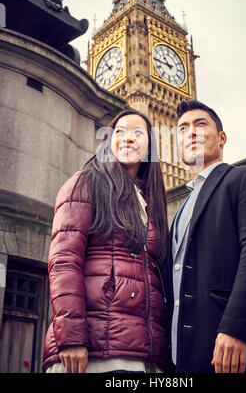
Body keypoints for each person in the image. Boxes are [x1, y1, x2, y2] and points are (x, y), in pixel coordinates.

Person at [43, 110, 169, 373]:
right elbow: (64, 261)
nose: (128, 138)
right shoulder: (86, 182)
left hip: (143, 353)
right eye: (120, 132)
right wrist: (72, 337)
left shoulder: (151, 201)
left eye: (138, 133)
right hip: (94, 353)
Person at [162, 99, 246, 373]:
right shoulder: (180, 210)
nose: (190, 132)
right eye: (182, 129)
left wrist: (236, 328)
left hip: (232, 354)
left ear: (221, 137)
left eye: (200, 124)